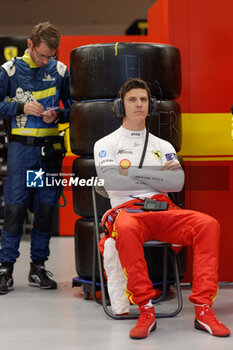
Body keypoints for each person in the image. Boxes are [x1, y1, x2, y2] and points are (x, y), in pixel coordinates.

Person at [94, 78, 231, 339]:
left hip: (163, 210)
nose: (139, 104)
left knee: (208, 225)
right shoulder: (105, 144)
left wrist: (129, 171)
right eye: (132, 99)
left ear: (151, 106)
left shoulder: (163, 146)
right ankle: (145, 308)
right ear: (120, 106)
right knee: (124, 227)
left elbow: (176, 183)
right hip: (128, 213)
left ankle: (203, 309)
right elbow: (111, 182)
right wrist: (157, 175)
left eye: (143, 100)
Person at [0, 21, 73, 294]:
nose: (45, 61)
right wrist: (20, 106)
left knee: (45, 210)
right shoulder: (8, 71)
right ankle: (5, 268)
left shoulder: (60, 70)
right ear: (30, 45)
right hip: (22, 151)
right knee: (15, 209)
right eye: (42, 55)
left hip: (48, 153)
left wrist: (60, 114)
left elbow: (75, 107)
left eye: (50, 56)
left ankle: (38, 267)